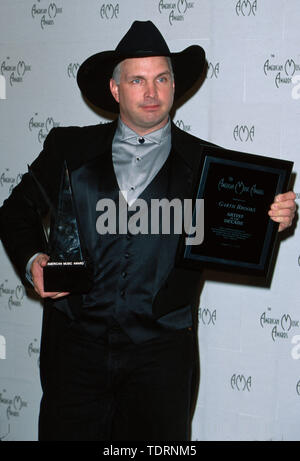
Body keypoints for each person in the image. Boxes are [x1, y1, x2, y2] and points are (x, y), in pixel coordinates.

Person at [0, 20, 296, 441]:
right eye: (137, 80)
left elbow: (248, 220)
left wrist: (279, 215)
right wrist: (33, 262)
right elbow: (14, 213)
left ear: (175, 86)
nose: (152, 92)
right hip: (75, 352)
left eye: (161, 78)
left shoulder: (211, 167)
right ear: (116, 90)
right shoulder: (69, 149)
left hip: (161, 359)